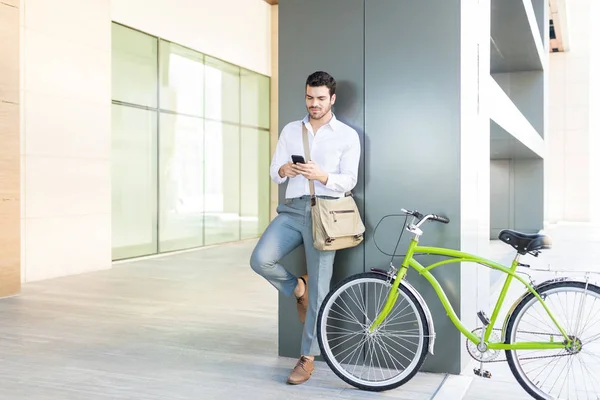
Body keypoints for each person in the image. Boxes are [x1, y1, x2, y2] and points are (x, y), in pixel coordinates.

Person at [249, 71, 361, 385]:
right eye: (310, 97)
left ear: (332, 99)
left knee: (321, 291)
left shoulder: (347, 136)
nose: (314, 103)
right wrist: (284, 170)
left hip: (325, 213)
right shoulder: (290, 130)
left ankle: (308, 358)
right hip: (292, 210)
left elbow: (349, 179)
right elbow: (275, 172)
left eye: (320, 98)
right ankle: (299, 288)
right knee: (260, 259)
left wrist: (322, 175)